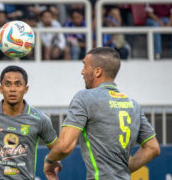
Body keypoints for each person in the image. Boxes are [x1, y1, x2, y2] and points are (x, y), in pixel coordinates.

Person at [43, 47, 160, 180]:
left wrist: (49, 160)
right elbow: (153, 148)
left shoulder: (85, 97)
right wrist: (123, 171)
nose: (82, 72)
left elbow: (65, 146)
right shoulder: (133, 105)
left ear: (97, 71)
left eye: (85, 66)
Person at [0, 65, 58, 180]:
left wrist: (54, 162)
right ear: (0, 88)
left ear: (26, 89)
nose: (13, 89)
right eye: (8, 84)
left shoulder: (40, 119)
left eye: (18, 84)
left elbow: (56, 148)